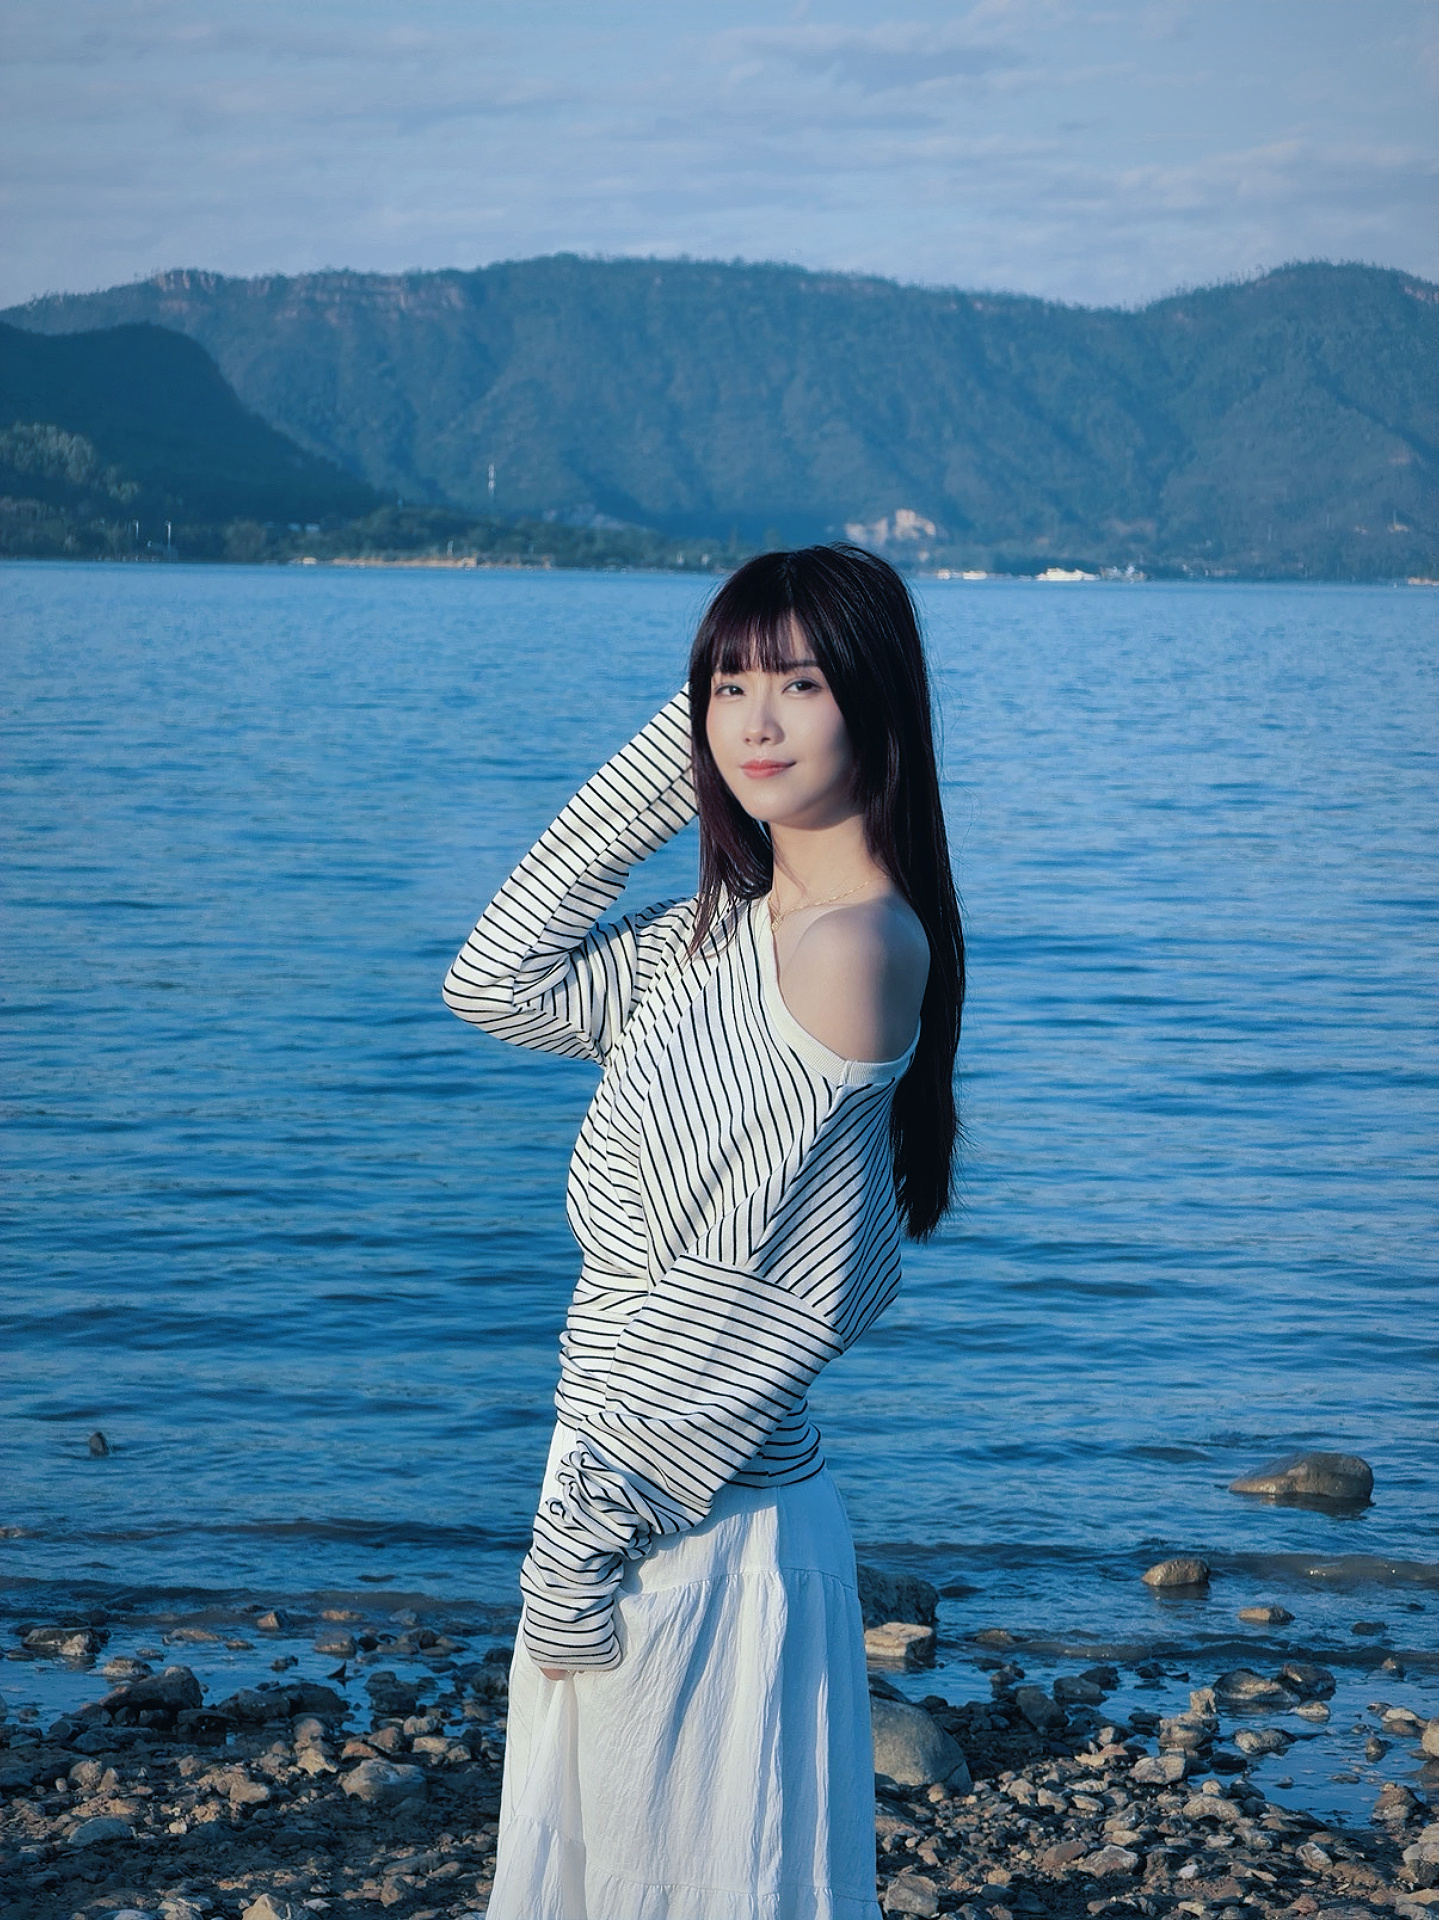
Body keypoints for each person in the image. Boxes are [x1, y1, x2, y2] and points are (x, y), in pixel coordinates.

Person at [443, 543, 965, 1920]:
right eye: (728, 686)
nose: (756, 721)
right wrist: (669, 772)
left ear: (877, 700)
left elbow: (770, 1297)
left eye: (799, 683)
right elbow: (495, 982)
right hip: (615, 1493)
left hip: (697, 1518)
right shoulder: (711, 936)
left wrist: (583, 1537)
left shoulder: (856, 949)